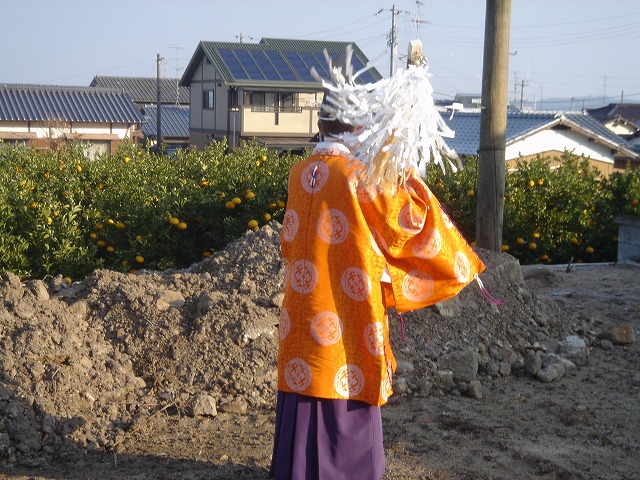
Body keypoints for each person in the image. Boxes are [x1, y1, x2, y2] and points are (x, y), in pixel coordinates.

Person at [270, 48, 485, 480]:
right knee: (345, 375)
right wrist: (401, 170)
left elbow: (288, 243)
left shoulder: (300, 172)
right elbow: (407, 223)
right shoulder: (360, 174)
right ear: (358, 125)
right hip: (347, 303)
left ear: (322, 123)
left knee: (306, 374)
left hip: (303, 304)